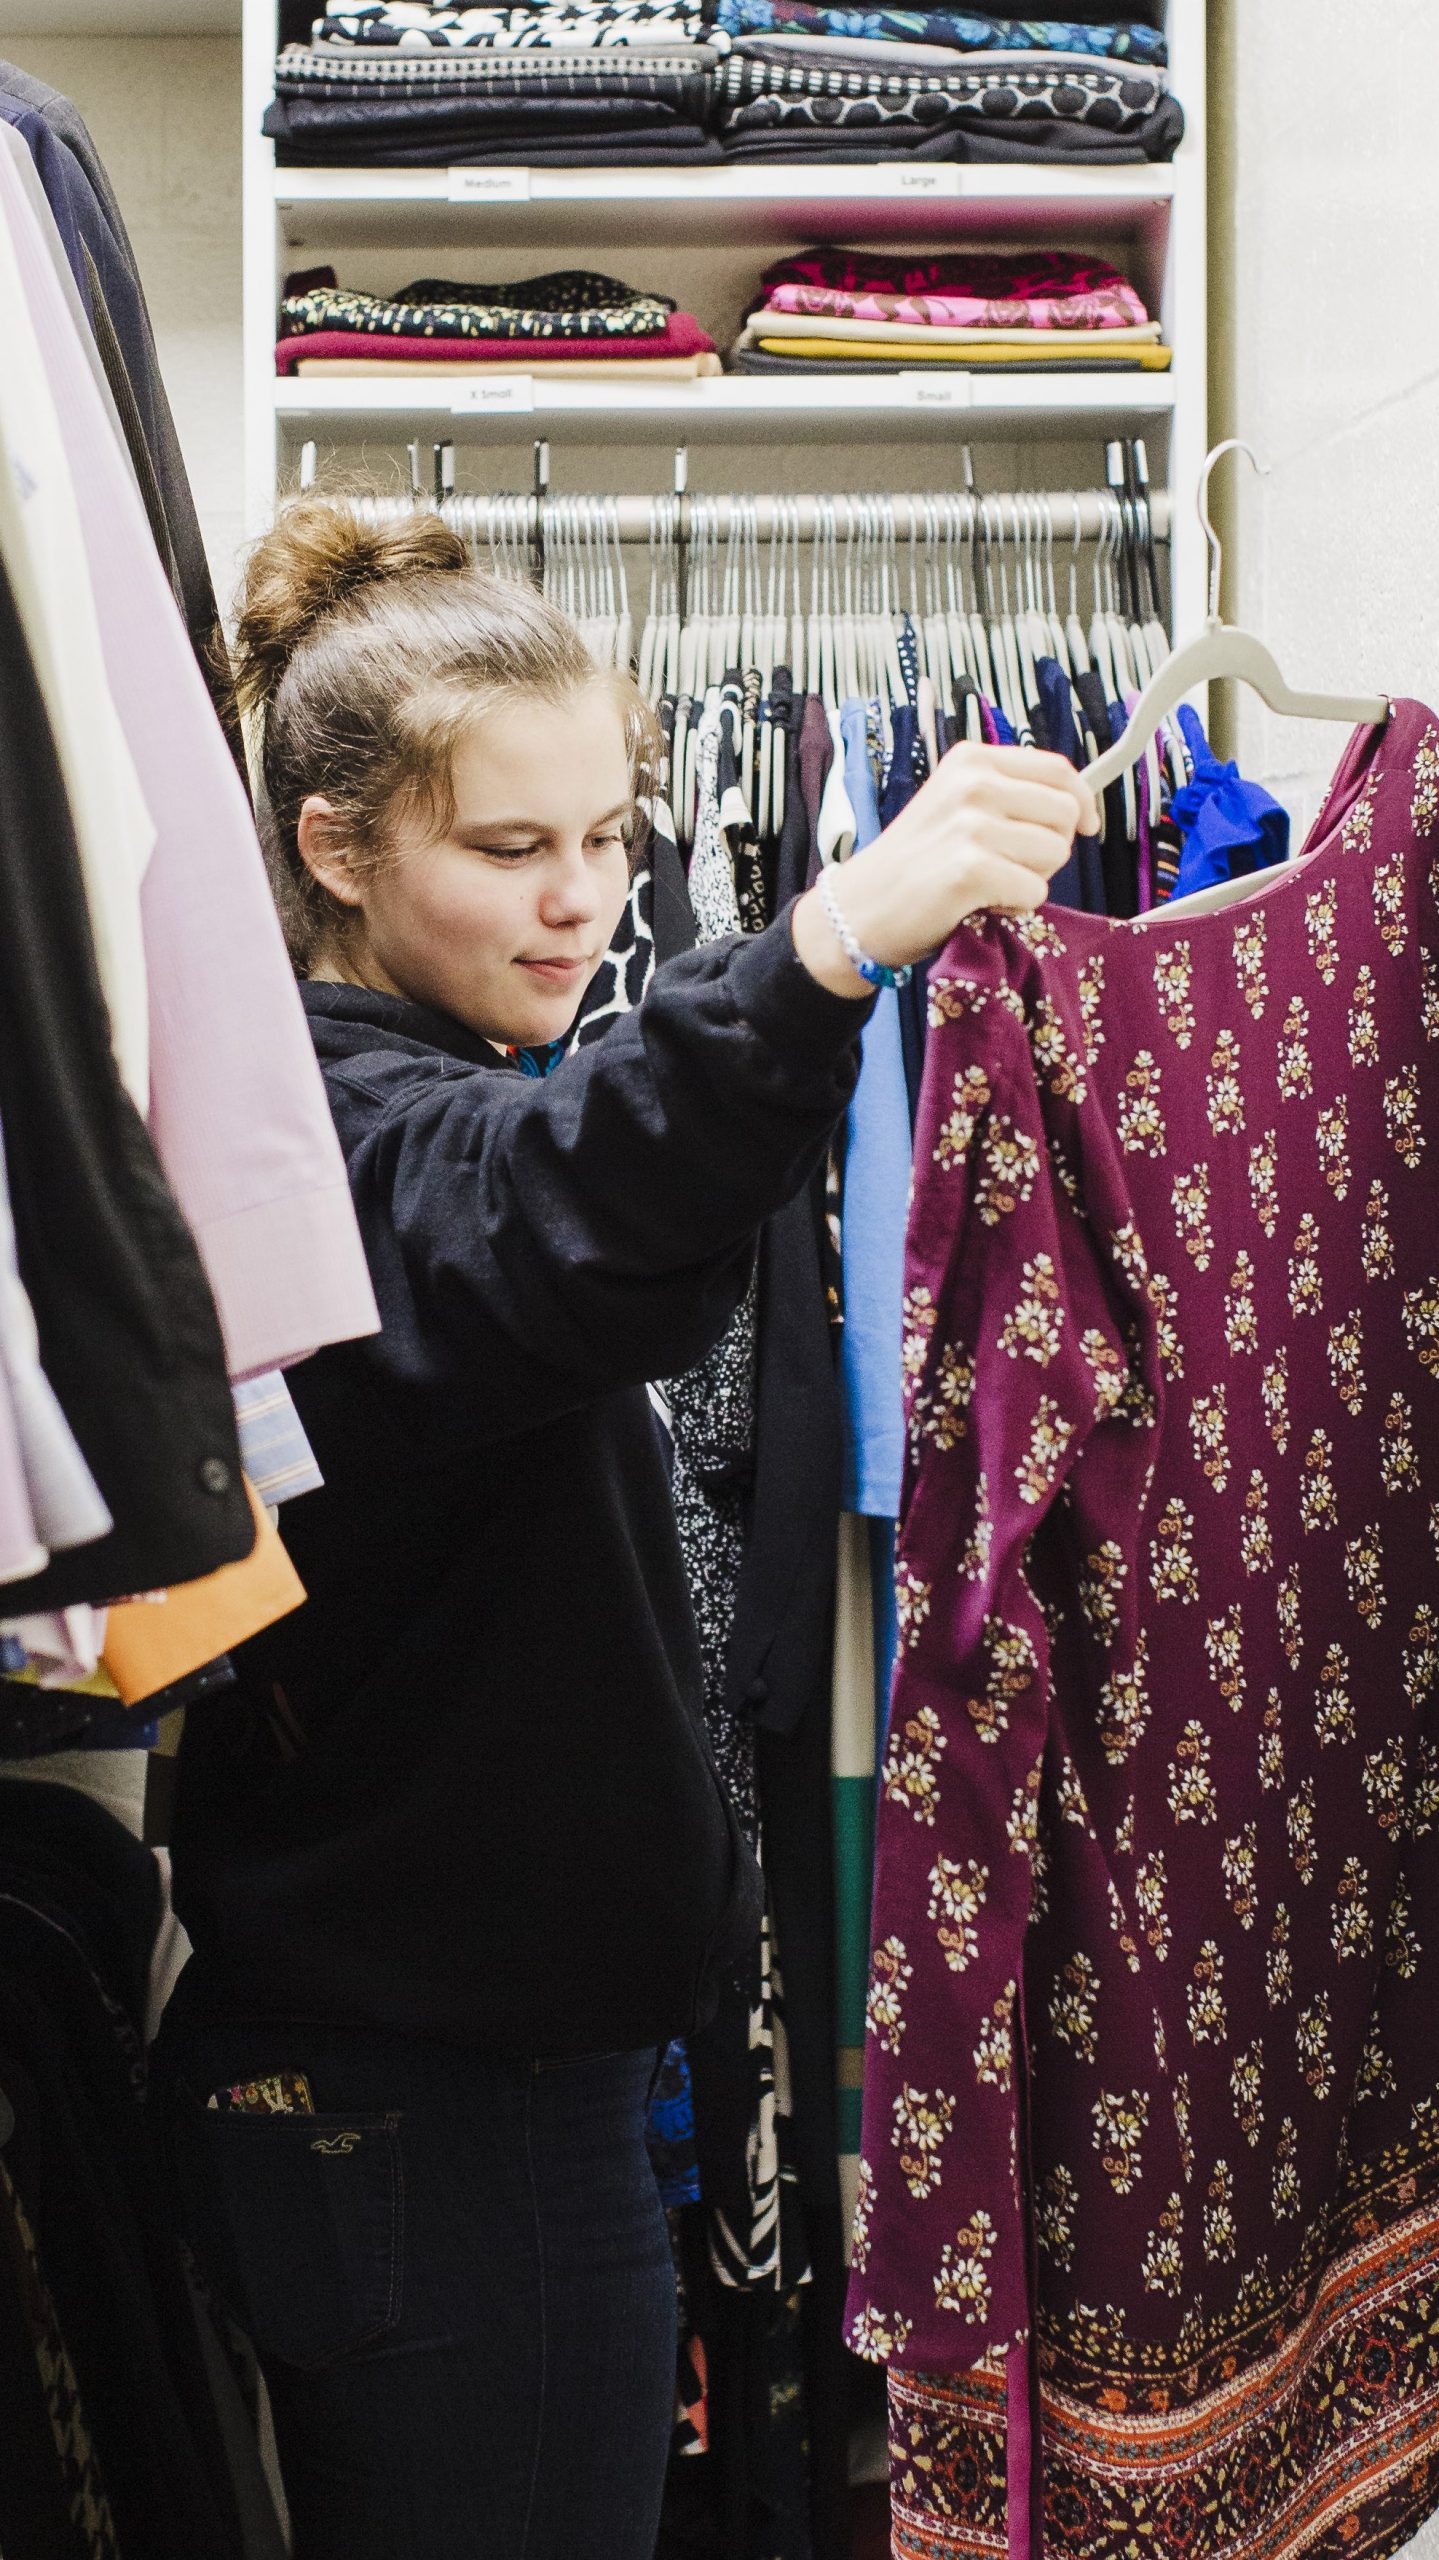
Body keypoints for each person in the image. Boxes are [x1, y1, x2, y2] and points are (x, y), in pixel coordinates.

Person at [155, 500, 1097, 2560]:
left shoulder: (391, 1082)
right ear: (334, 848)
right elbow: (556, 1196)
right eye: (510, 850)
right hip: (433, 2100)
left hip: (450, 2075)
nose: (584, 899)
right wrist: (835, 936)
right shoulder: (330, 1134)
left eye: (611, 834)